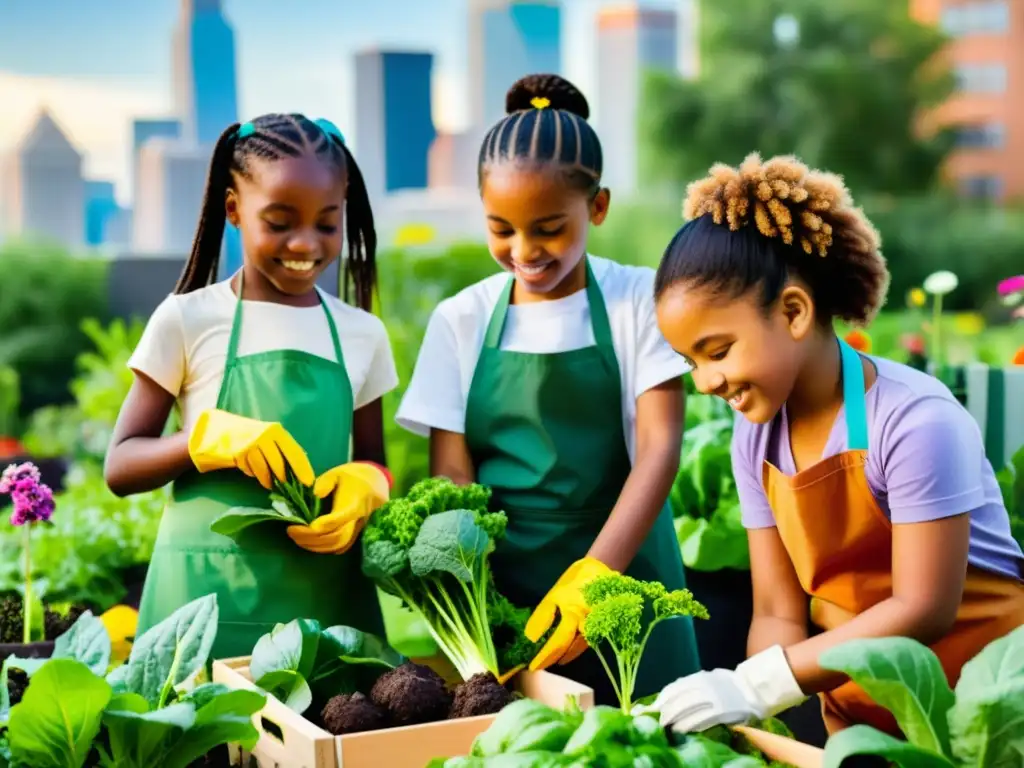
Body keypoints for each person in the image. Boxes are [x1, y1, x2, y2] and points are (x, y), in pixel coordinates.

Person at [643, 153, 1024, 737]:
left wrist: (755, 686)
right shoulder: (756, 438)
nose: (705, 382)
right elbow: (776, 611)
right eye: (689, 360)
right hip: (859, 715)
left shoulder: (915, 420)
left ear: (794, 312)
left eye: (717, 351)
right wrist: (764, 726)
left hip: (984, 713)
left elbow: (924, 608)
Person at [395, 74, 701, 704]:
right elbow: (453, 470)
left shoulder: (638, 298)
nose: (524, 249)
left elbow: (660, 448)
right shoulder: (461, 318)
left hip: (629, 572)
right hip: (507, 590)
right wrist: (473, 594)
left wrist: (597, 576)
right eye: (501, 228)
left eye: (549, 228)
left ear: (599, 207)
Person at [105, 113, 399, 658]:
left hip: (324, 604)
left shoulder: (362, 333)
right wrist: (201, 440)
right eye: (280, 221)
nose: (305, 243)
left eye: (327, 223)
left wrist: (371, 483)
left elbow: (375, 459)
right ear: (234, 210)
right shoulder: (188, 319)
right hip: (200, 607)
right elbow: (120, 466)